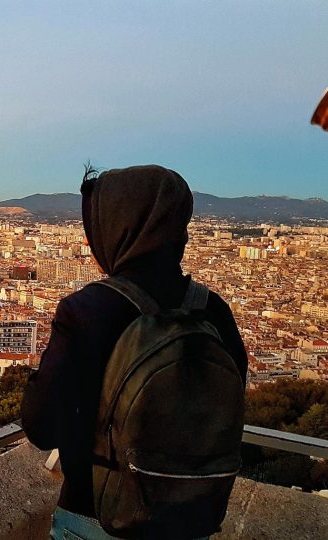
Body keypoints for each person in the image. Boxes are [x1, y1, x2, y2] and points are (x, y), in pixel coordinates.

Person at [21, 165, 248, 539]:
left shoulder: (87, 312)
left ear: (114, 229)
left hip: (96, 520)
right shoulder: (213, 310)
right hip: (189, 524)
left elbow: (42, 427)